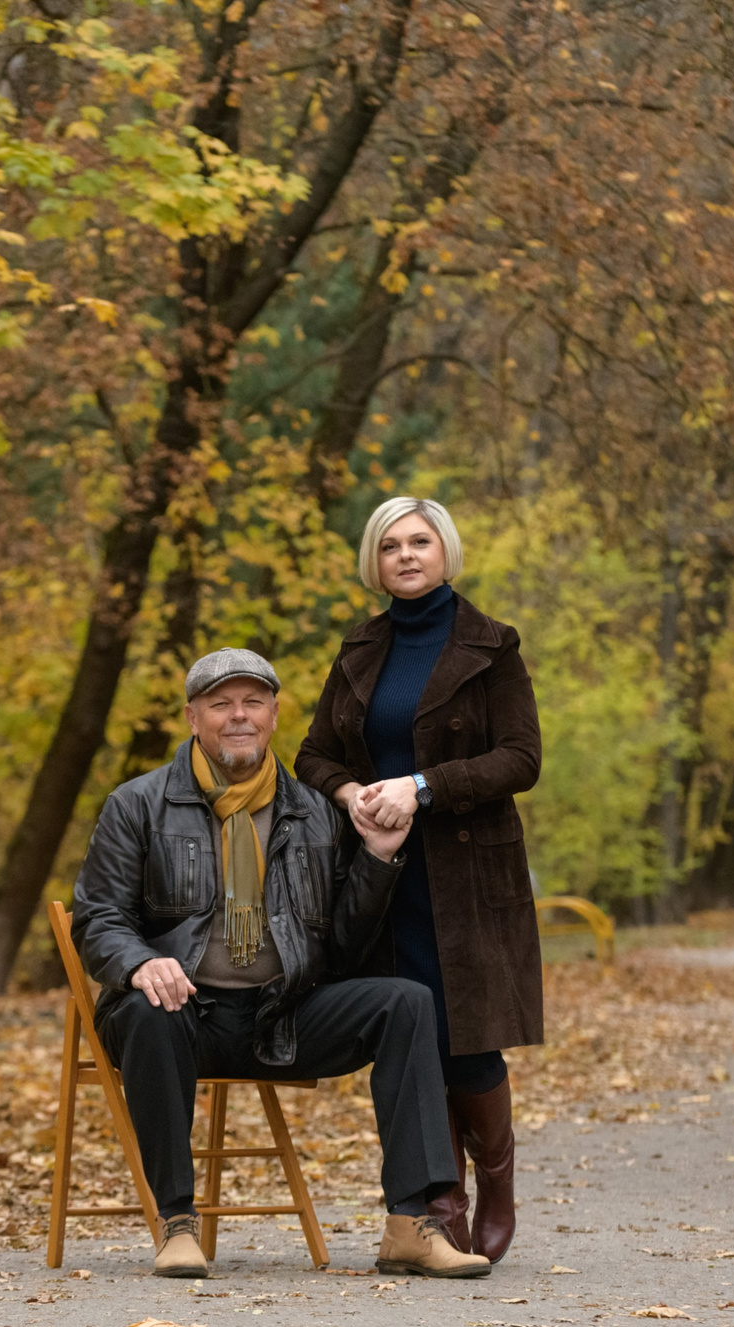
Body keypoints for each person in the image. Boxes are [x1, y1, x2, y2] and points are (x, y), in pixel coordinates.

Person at [72, 648, 489, 1281]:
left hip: (285, 1016)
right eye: (220, 704)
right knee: (148, 1008)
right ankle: (176, 1222)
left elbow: (342, 947)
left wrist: (378, 858)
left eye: (253, 702)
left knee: (406, 1002)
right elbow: (97, 917)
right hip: (185, 1016)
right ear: (192, 718)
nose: (238, 716)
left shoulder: (315, 811)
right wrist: (139, 964)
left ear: (273, 714)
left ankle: (411, 1223)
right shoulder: (137, 804)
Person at [295, 496, 543, 1266]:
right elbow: (312, 755)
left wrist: (422, 786)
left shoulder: (492, 645)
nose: (406, 555)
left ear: (445, 552)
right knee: (413, 1034)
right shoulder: (359, 648)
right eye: (390, 545)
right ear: (375, 561)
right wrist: (352, 795)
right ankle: (439, 1202)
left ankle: (494, 1179)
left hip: (468, 874)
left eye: (420, 542)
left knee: (468, 1035)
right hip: (381, 875)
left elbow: (521, 758)